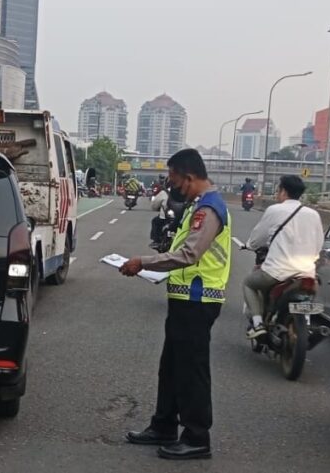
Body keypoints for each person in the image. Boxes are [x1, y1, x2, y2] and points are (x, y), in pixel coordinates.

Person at [119, 149, 231, 461]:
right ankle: (164, 425)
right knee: (171, 367)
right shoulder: (197, 205)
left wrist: (144, 262)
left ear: (189, 176)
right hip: (185, 298)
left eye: (175, 180)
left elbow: (189, 255)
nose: (173, 187)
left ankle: (197, 436)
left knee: (192, 370)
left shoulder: (208, 209)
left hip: (199, 299)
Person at [243, 175, 324, 339]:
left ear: (283, 192)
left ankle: (258, 324)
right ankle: (307, 324)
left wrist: (249, 245)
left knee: (248, 283)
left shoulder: (275, 210)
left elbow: (257, 239)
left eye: (278, 190)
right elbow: (318, 246)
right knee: (312, 297)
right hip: (307, 273)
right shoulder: (313, 214)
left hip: (277, 272)